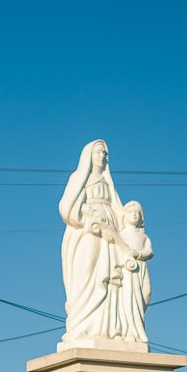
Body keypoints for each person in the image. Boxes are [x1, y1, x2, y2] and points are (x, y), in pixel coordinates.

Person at [58, 140, 125, 343]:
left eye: (105, 153)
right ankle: (81, 323)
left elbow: (119, 210)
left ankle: (105, 327)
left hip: (110, 233)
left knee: (109, 276)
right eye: (99, 152)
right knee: (86, 273)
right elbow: (66, 207)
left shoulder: (107, 183)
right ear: (88, 155)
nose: (103, 156)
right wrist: (86, 217)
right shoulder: (79, 178)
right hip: (88, 232)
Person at [109, 200, 152, 344]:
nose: (134, 215)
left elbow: (149, 252)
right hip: (128, 269)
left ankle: (139, 324)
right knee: (128, 298)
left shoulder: (144, 236)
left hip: (141, 268)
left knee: (145, 294)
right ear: (124, 215)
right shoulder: (121, 235)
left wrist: (137, 254)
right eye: (130, 212)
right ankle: (131, 331)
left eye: (137, 213)